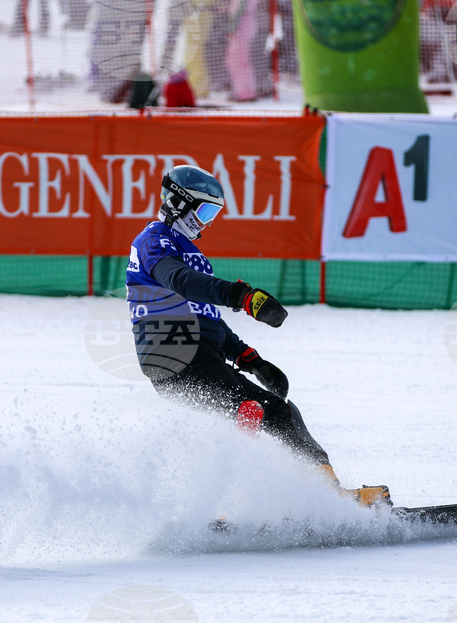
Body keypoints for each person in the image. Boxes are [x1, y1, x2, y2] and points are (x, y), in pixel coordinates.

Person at [126, 165, 391, 508]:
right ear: (180, 202)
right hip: (173, 350)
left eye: (214, 213)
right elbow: (182, 282)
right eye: (205, 210)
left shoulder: (188, 250)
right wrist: (243, 296)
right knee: (253, 411)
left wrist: (251, 359)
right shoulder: (154, 240)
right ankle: (246, 503)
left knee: (278, 411)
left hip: (195, 353)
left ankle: (313, 492)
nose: (207, 221)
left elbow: (208, 320)